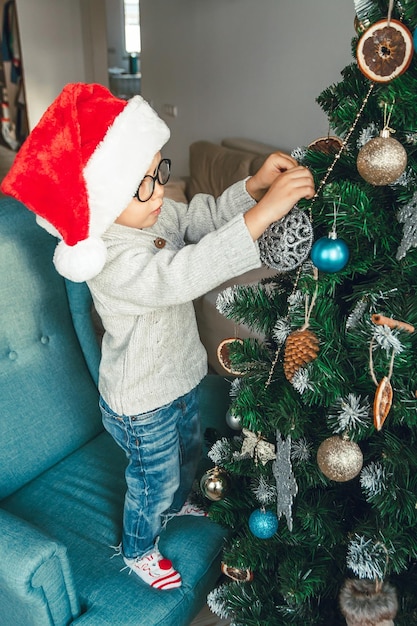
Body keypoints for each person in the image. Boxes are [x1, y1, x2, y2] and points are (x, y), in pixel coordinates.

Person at [1, 82, 315, 591]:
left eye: (158, 172)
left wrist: (250, 191)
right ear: (101, 201)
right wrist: (261, 219)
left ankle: (177, 502)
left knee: (189, 453)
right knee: (153, 481)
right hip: (140, 400)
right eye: (142, 184)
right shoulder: (110, 260)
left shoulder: (156, 209)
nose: (160, 192)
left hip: (181, 374)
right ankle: (139, 547)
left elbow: (201, 218)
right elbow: (180, 274)